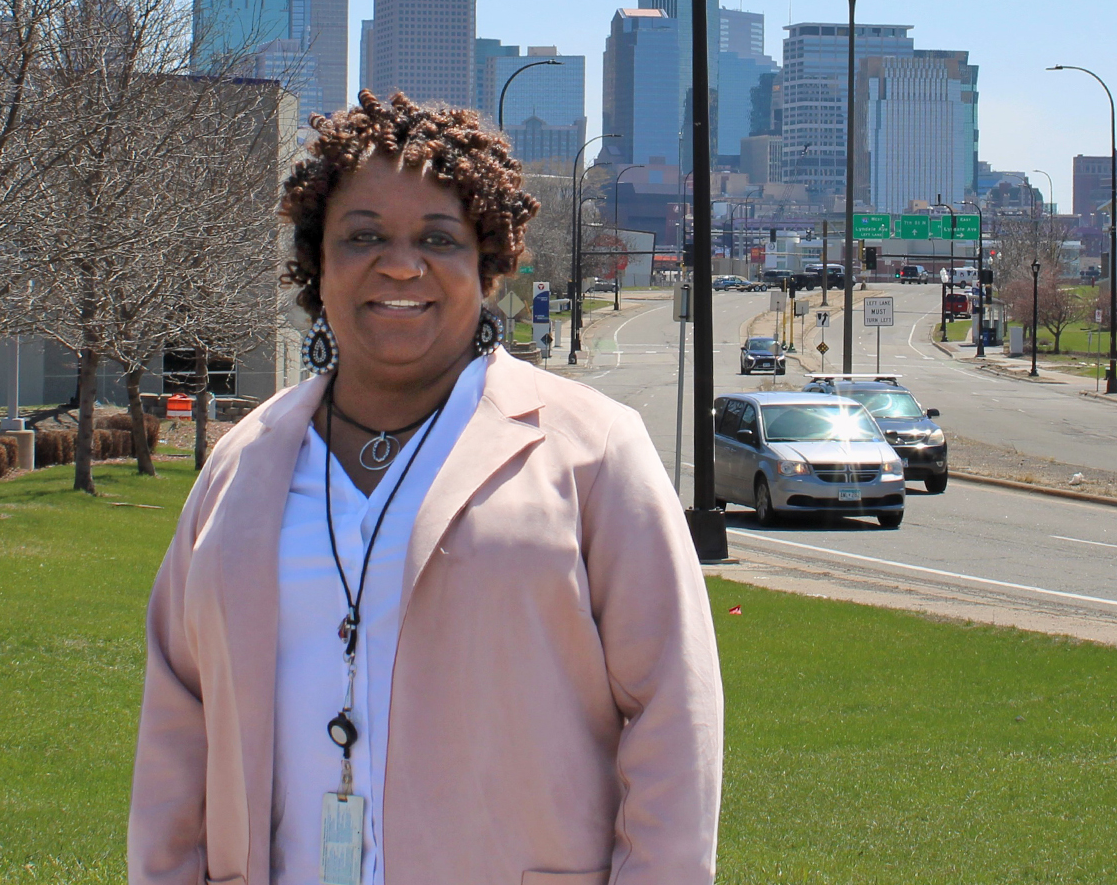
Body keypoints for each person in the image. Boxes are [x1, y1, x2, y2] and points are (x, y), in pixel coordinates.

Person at [129, 91, 722, 885]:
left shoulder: (593, 454)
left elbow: (672, 720)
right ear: (317, 262)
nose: (400, 264)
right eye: (363, 236)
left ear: (489, 266)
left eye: (438, 239)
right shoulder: (242, 468)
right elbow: (178, 727)